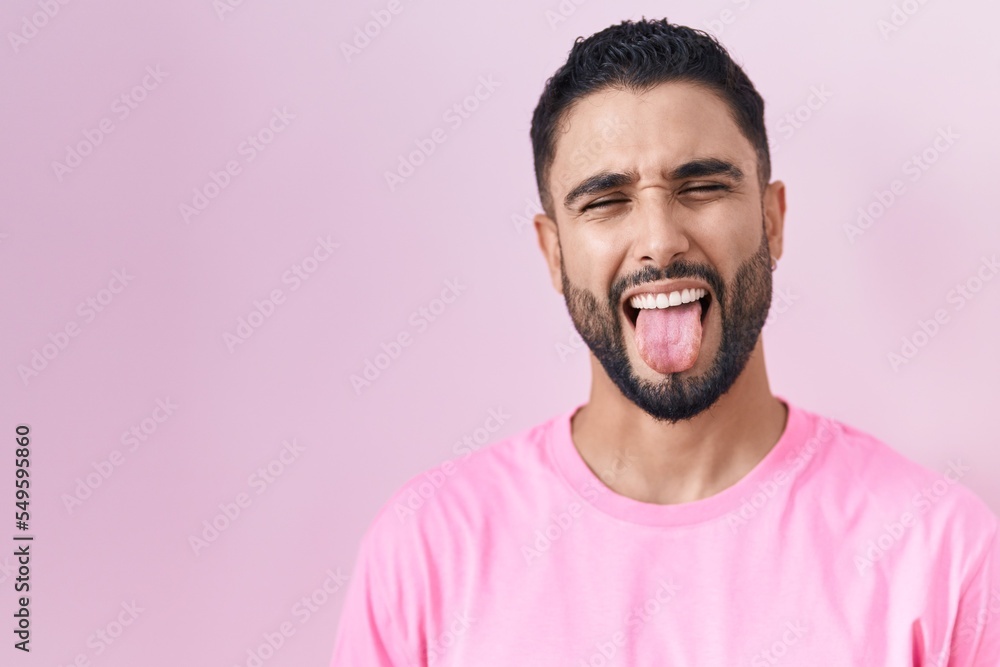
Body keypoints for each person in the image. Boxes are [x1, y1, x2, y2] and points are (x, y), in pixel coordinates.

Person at [330, 17, 1000, 665]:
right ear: (553, 252)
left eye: (702, 187)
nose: (659, 240)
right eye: (605, 201)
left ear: (772, 220)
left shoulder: (943, 552)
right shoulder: (425, 550)